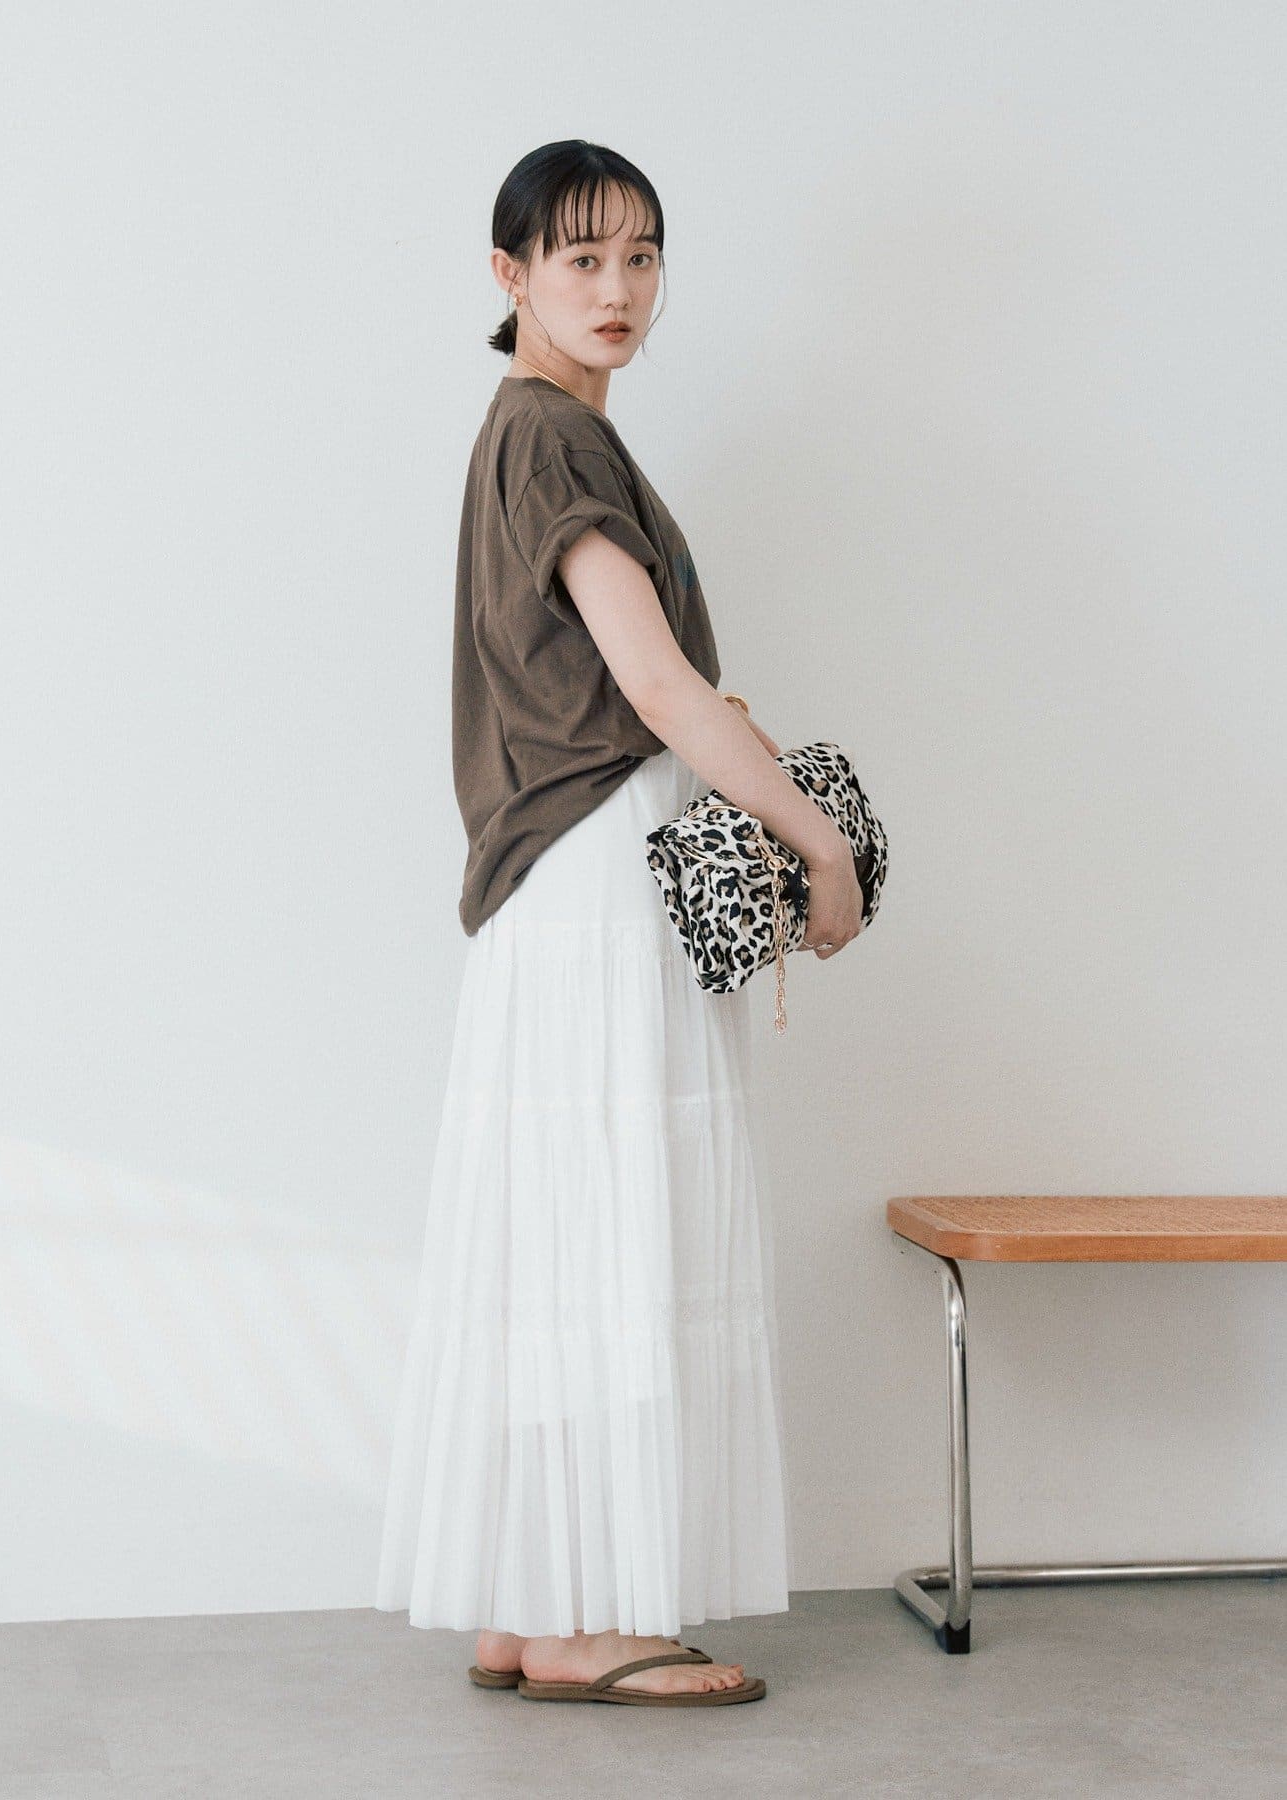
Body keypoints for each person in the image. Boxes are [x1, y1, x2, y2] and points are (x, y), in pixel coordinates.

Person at [374, 140, 863, 1707]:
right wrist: (820, 845)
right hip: (597, 873)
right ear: (509, 274)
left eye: (641, 256)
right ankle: (586, 1623)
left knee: (560, 1226)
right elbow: (654, 687)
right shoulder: (554, 440)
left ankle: (530, 1604)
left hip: (557, 880)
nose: (618, 288)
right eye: (580, 257)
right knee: (611, 1226)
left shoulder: (530, 433)